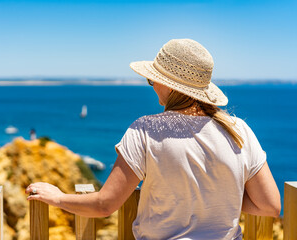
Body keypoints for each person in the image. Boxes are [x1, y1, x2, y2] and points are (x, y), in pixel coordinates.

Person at [26, 39, 281, 239]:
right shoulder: (239, 130)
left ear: (169, 86)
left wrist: (57, 198)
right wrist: (220, 198)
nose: (152, 85)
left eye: (152, 80)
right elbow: (270, 205)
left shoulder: (146, 130)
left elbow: (105, 205)